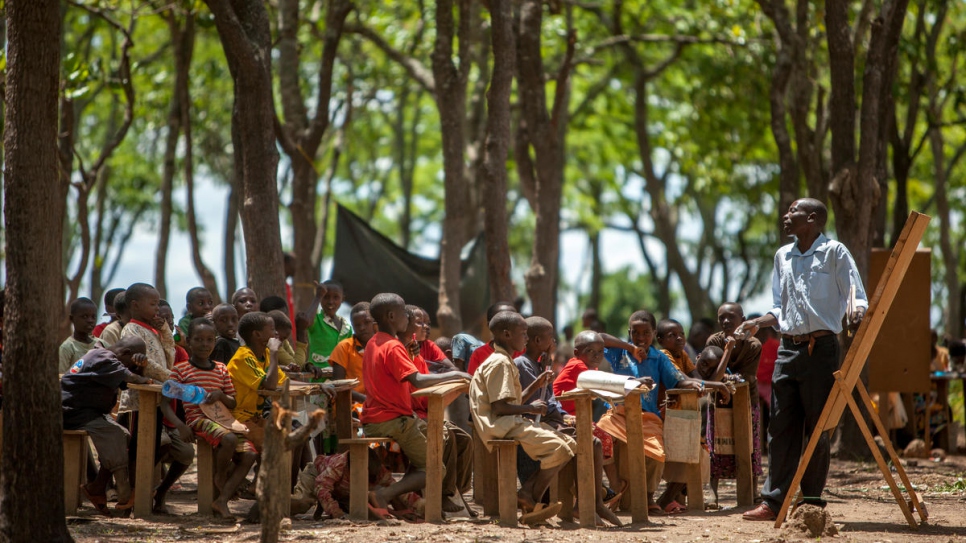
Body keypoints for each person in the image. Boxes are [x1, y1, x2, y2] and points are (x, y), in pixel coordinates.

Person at [737, 198, 868, 521]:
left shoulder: (834, 252)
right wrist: (759, 322)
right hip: (787, 349)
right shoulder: (783, 255)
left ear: (811, 218)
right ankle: (773, 501)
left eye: (792, 211)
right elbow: (780, 306)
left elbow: (855, 293)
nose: (786, 215)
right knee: (780, 425)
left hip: (821, 350)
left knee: (818, 427)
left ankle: (810, 499)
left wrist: (856, 311)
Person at [596, 309, 726, 514]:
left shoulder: (659, 358)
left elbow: (680, 380)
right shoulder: (620, 352)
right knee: (599, 434)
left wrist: (712, 385)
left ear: (653, 333)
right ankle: (612, 485)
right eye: (635, 333)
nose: (640, 338)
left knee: (657, 454)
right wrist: (629, 347)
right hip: (617, 414)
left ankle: (648, 497)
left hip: (648, 418)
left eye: (646, 333)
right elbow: (598, 338)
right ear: (629, 332)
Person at [360, 293, 469, 519]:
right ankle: (385, 494)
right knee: (436, 468)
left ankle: (409, 499)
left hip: (375, 419)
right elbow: (418, 380)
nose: (406, 319)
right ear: (391, 316)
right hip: (393, 421)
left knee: (436, 438)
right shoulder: (393, 346)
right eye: (403, 315)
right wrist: (455, 374)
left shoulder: (373, 342)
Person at [469, 311, 576, 524]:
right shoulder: (500, 363)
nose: (526, 338)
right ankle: (529, 496)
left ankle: (528, 495)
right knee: (560, 449)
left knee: (569, 443)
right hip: (500, 425)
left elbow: (511, 402)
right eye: (523, 333)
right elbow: (499, 408)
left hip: (507, 422)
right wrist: (532, 408)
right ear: (507, 335)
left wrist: (536, 385)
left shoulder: (504, 360)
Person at [518, 320, 622, 526]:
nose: (555, 341)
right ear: (538, 341)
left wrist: (563, 416)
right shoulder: (523, 364)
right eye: (550, 337)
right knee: (584, 441)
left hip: (549, 419)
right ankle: (531, 492)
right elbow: (537, 403)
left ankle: (594, 502)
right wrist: (561, 418)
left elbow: (550, 399)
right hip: (533, 422)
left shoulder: (539, 363)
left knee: (594, 442)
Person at [117, 283, 193, 514]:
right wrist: (173, 378)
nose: (157, 309)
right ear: (135, 305)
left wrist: (166, 332)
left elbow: (169, 357)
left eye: (158, 303)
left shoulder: (153, 330)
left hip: (158, 399)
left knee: (151, 447)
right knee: (138, 448)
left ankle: (142, 492)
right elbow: (147, 366)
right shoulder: (131, 331)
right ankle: (132, 494)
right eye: (152, 304)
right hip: (138, 402)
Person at [172, 318, 257, 518]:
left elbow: (233, 402)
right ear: (189, 341)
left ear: (215, 341)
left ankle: (222, 500)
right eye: (199, 340)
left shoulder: (221, 368)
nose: (205, 344)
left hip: (224, 420)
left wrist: (221, 395)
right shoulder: (181, 369)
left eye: (209, 340)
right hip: (198, 420)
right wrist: (180, 425)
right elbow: (167, 402)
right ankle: (221, 474)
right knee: (229, 439)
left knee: (250, 454)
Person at [65, 336, 153, 516]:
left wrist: (138, 368)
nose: (130, 366)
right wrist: (142, 373)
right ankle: (124, 496)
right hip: (72, 413)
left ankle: (97, 487)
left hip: (84, 412)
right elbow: (133, 379)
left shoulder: (101, 356)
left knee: (123, 434)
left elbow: (127, 381)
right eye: (132, 361)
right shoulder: (104, 358)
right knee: (115, 434)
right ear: (127, 353)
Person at [399, 304, 473, 514]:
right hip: (409, 412)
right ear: (404, 323)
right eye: (420, 322)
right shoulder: (400, 349)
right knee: (446, 435)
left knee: (465, 439)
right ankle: (441, 494)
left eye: (428, 323)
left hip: (426, 410)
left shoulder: (421, 349)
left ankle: (455, 489)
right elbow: (419, 380)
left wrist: (445, 373)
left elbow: (447, 368)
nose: (426, 327)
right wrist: (446, 374)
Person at [552, 330, 625, 505]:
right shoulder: (579, 366)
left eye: (600, 352)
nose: (597, 356)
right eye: (591, 351)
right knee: (601, 436)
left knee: (603, 435)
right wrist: (629, 382)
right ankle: (609, 487)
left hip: (572, 415)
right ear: (577, 353)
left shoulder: (588, 368)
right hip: (559, 416)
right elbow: (602, 382)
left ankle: (604, 488)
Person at [705, 302, 763, 492]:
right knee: (716, 446)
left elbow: (747, 377)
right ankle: (713, 491)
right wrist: (727, 379)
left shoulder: (754, 345)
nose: (726, 321)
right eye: (722, 317)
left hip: (747, 400)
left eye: (731, 317)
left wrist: (726, 378)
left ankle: (751, 490)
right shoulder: (714, 342)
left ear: (743, 321)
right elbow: (711, 376)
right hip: (719, 401)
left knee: (750, 446)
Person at [329, 302, 375, 402]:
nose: (362, 328)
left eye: (366, 322)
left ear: (375, 322)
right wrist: (367, 401)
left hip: (379, 404)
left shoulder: (385, 346)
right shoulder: (344, 347)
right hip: (352, 405)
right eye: (357, 325)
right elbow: (338, 384)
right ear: (352, 326)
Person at [304, 280, 352, 375]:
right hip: (318, 377)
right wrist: (317, 297)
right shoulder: (316, 319)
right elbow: (305, 322)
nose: (331, 302)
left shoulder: (347, 327)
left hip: (340, 378)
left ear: (342, 299)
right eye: (326, 297)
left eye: (336, 297)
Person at [467, 301, 518, 375]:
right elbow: (472, 382)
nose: (508, 327)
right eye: (502, 322)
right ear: (490, 325)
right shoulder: (479, 354)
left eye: (514, 321)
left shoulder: (527, 351)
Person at [59, 297, 98, 373]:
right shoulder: (67, 348)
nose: (90, 321)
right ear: (72, 318)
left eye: (93, 317)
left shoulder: (102, 344)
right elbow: (61, 376)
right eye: (85, 317)